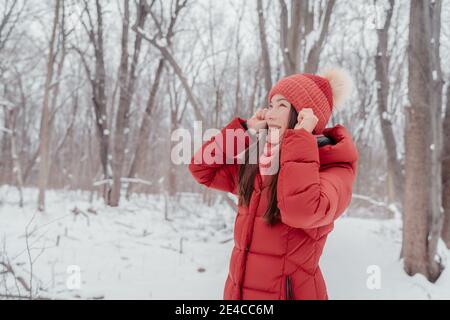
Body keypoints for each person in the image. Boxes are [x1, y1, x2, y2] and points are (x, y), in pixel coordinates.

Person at [189, 68, 359, 300]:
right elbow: (202, 167)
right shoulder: (261, 161)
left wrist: (300, 138)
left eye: (281, 106)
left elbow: (302, 211)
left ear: (305, 116)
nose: (269, 114)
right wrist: (245, 130)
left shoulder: (334, 168)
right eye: (270, 105)